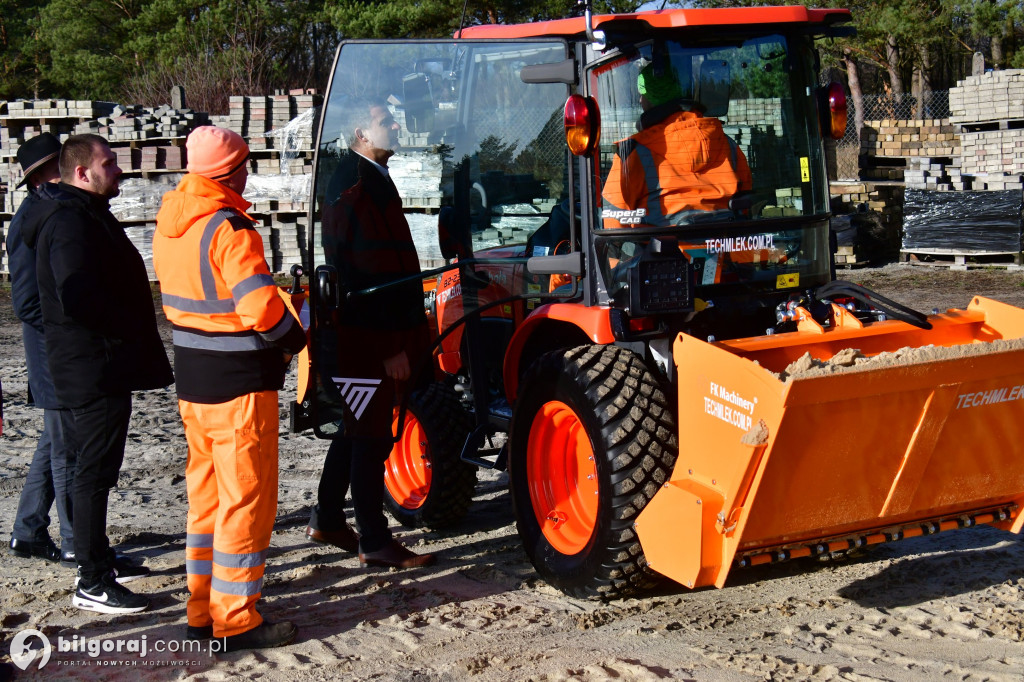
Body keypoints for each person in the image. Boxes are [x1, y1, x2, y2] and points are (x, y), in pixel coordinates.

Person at [153, 126, 306, 651]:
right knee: (246, 502)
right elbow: (259, 307)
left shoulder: (172, 221)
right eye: (244, 164)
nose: (248, 172)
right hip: (240, 386)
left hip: (193, 384)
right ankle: (236, 619)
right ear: (231, 171)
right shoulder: (229, 228)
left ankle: (201, 611)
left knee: (207, 501)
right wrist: (295, 337)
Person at [22, 133, 173, 614]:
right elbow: (77, 296)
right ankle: (92, 579)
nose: (120, 170)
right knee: (91, 474)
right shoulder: (69, 222)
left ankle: (97, 560)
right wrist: (123, 329)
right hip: (92, 368)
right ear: (82, 173)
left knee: (94, 472)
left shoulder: (83, 214)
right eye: (109, 164)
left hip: (97, 364)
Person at [306, 97, 435, 570]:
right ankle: (375, 541)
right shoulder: (354, 187)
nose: (397, 126)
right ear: (362, 131)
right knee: (371, 437)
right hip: (366, 340)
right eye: (386, 121)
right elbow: (361, 275)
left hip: (372, 336)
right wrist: (390, 347)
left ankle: (326, 516)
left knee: (358, 428)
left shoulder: (369, 180)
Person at [7, 133, 77, 568]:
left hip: (52, 349)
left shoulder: (47, 212)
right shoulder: (31, 221)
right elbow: (27, 302)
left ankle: (28, 530)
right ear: (46, 174)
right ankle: (75, 540)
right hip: (51, 351)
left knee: (53, 441)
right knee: (67, 446)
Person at [602, 61, 752, 228]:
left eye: (642, 94)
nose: (639, 100)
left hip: (658, 252)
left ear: (651, 98)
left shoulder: (633, 154)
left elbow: (612, 223)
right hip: (724, 249)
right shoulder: (728, 146)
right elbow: (744, 206)